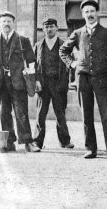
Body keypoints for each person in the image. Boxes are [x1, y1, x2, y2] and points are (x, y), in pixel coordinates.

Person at [59, 0, 107, 160]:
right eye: (86, 12)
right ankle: (90, 148)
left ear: (97, 13)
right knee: (86, 114)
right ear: (83, 14)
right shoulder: (77, 33)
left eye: (92, 11)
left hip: (101, 77)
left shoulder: (106, 32)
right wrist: (73, 63)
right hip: (82, 78)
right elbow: (63, 50)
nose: (89, 14)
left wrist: (106, 60)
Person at [0, 11, 40, 152]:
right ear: (0, 24)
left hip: (18, 82)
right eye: (4, 21)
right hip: (1, 82)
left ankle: (28, 142)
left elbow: (32, 62)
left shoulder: (23, 40)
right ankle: (8, 142)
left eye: (9, 21)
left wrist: (36, 80)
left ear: (13, 23)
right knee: (4, 113)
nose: (6, 24)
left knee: (21, 112)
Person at [32, 18, 73, 149]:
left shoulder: (64, 45)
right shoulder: (38, 46)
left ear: (57, 28)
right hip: (43, 85)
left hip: (59, 84)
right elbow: (34, 66)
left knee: (60, 114)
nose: (49, 29)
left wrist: (66, 83)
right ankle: (37, 142)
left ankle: (65, 141)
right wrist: (36, 81)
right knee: (40, 114)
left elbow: (69, 65)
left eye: (52, 26)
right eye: (47, 27)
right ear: (43, 29)